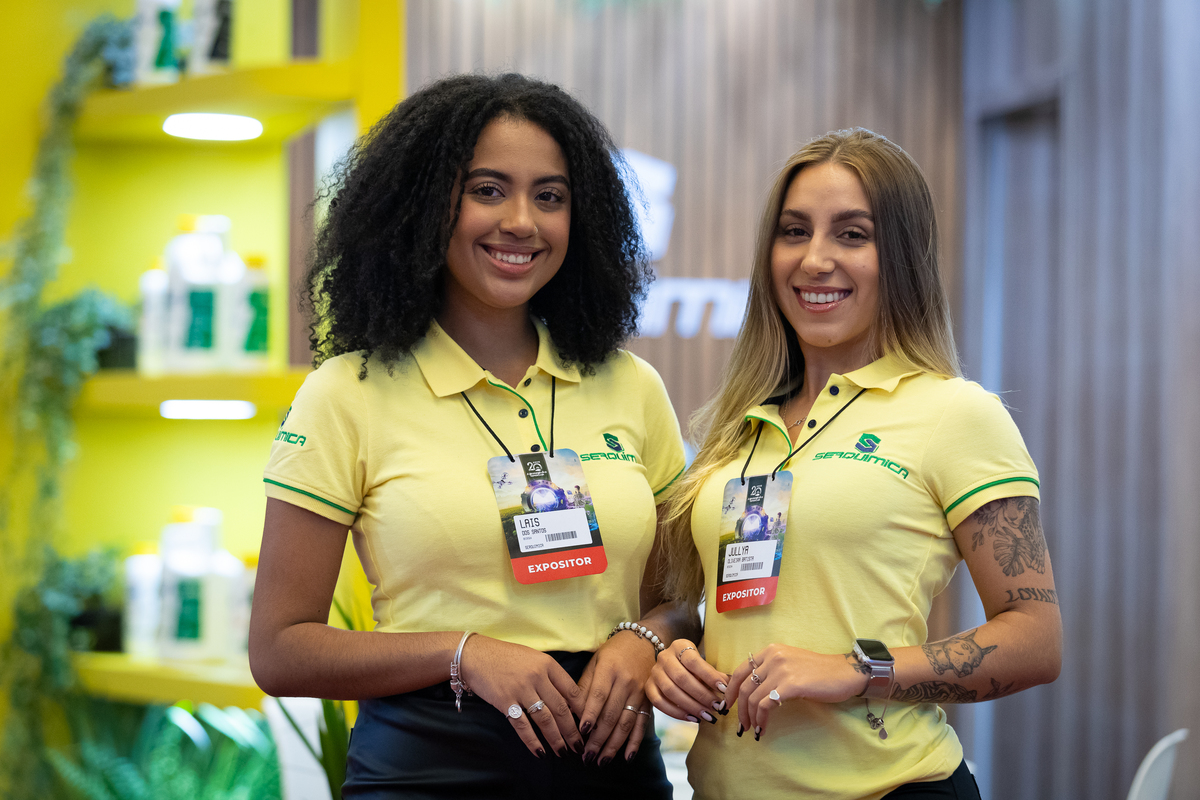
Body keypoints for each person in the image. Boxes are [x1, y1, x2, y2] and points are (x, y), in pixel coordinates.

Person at [249, 73, 692, 799]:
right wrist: (466, 655)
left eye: (550, 196)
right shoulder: (347, 392)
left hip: (613, 772)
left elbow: (677, 598)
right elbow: (280, 650)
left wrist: (643, 638)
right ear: (426, 206)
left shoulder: (630, 385)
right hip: (429, 769)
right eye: (488, 189)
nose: (522, 221)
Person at [645, 128, 1062, 800]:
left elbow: (1035, 641)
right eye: (794, 231)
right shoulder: (742, 428)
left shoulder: (956, 414)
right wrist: (677, 656)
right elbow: (736, 614)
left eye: (851, 234)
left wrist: (856, 668)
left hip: (889, 786)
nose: (814, 259)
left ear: (899, 256)